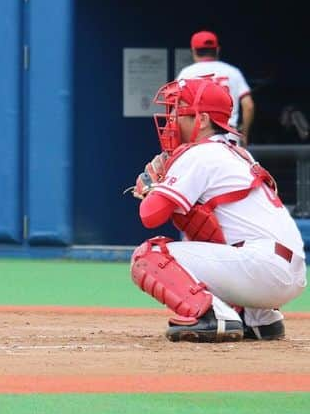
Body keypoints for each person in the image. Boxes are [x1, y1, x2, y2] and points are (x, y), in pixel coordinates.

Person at [129, 77, 306, 342]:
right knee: (204, 226)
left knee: (149, 255)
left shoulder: (199, 154)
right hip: (287, 270)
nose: (172, 119)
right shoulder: (238, 153)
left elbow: (150, 216)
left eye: (179, 112)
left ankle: (213, 317)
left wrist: (154, 185)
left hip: (262, 266)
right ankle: (258, 318)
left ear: (200, 120)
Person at [177, 30, 255, 144]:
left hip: (198, 136)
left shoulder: (187, 73)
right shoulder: (232, 72)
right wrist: (244, 134)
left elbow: (176, 108)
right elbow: (248, 106)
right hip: (229, 134)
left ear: (193, 50)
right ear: (217, 50)